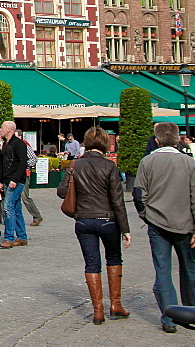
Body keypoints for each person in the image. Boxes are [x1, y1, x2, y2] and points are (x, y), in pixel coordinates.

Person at [133, 121, 195, 334]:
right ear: (177, 139)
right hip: (185, 224)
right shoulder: (189, 162)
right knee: (189, 268)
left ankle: (169, 317)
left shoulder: (147, 162)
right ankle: (194, 310)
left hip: (157, 223)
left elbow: (139, 194)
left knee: (163, 270)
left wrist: (146, 215)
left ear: (156, 139)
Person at [57, 127, 131, 325]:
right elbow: (118, 201)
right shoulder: (109, 166)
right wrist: (125, 229)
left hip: (83, 220)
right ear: (105, 144)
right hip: (107, 220)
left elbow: (61, 192)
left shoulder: (75, 165)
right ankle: (115, 304)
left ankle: (98, 311)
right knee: (114, 258)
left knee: (92, 263)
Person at [0, 121, 28, 248]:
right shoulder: (6, 144)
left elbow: (23, 163)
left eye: (3, 128)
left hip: (15, 181)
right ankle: (22, 236)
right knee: (16, 208)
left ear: (9, 129)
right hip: (6, 180)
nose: (1, 130)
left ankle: (9, 238)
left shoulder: (19, 144)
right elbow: (2, 164)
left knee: (8, 208)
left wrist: (15, 179)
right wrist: (0, 180)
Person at [19, 132, 43, 227]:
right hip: (12, 175)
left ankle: (37, 216)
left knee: (24, 196)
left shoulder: (25, 146)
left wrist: (23, 164)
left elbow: (34, 159)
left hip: (24, 174)